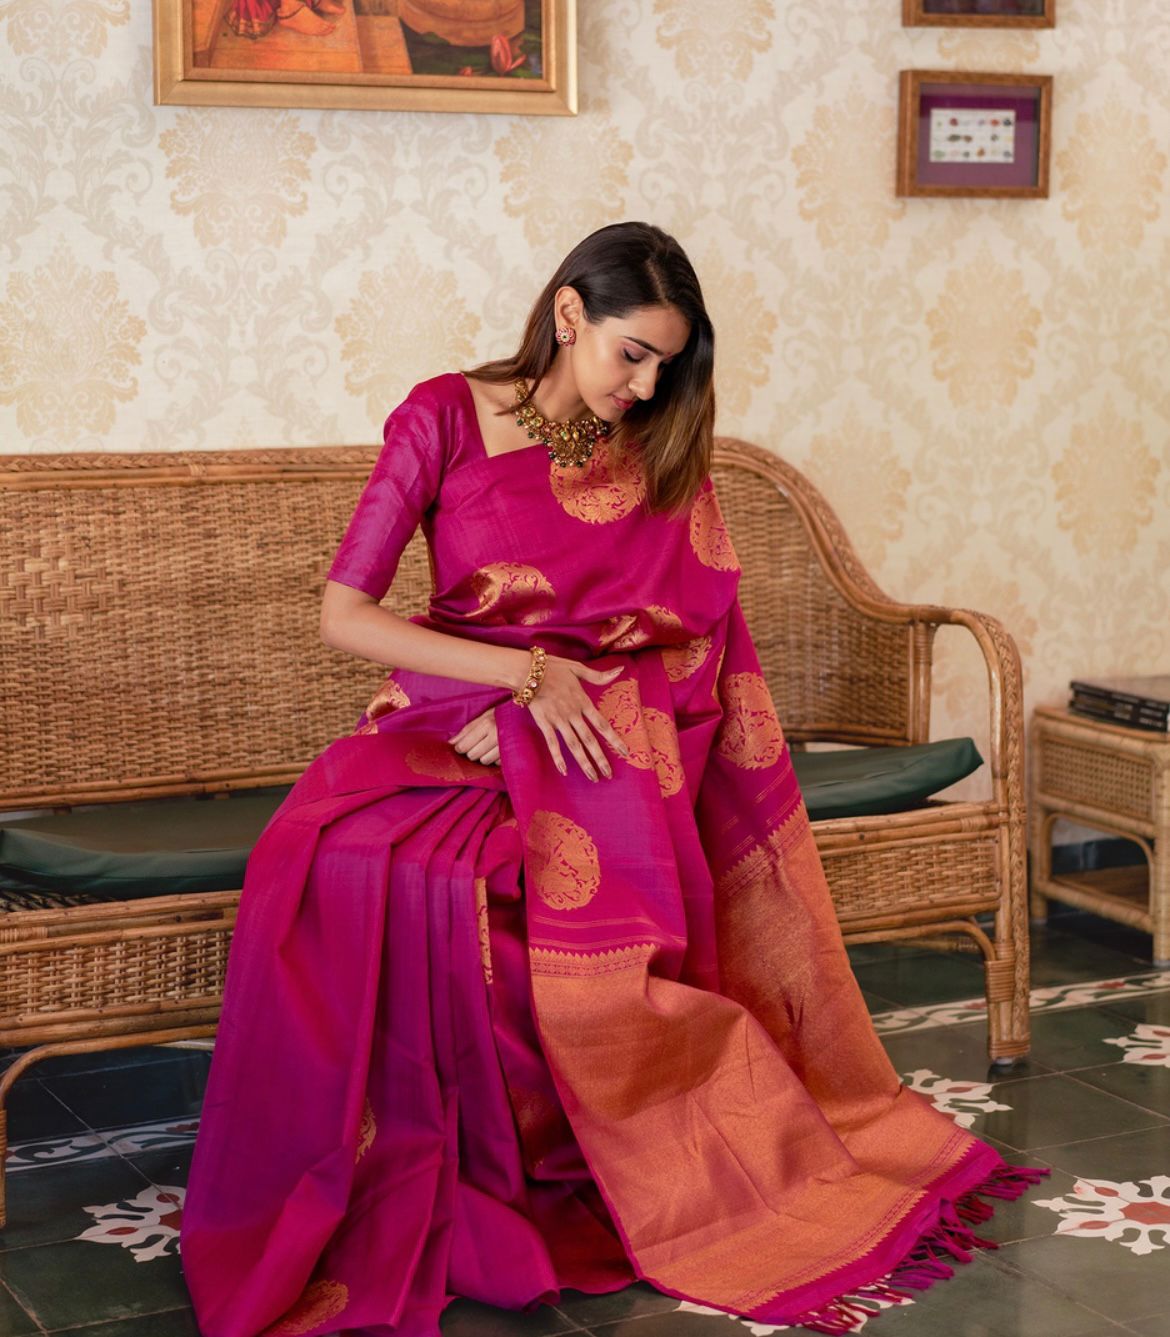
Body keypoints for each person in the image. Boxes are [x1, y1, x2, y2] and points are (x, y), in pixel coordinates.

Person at [178, 222, 1044, 1337]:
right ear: (570, 314)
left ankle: (554, 1161)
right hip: (455, 711)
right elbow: (346, 615)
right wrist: (515, 682)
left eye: (667, 366)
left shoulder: (659, 452)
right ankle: (405, 1163)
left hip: (602, 743)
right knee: (335, 858)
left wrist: (554, 711)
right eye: (631, 353)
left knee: (495, 885)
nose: (644, 387)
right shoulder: (441, 415)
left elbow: (692, 641)